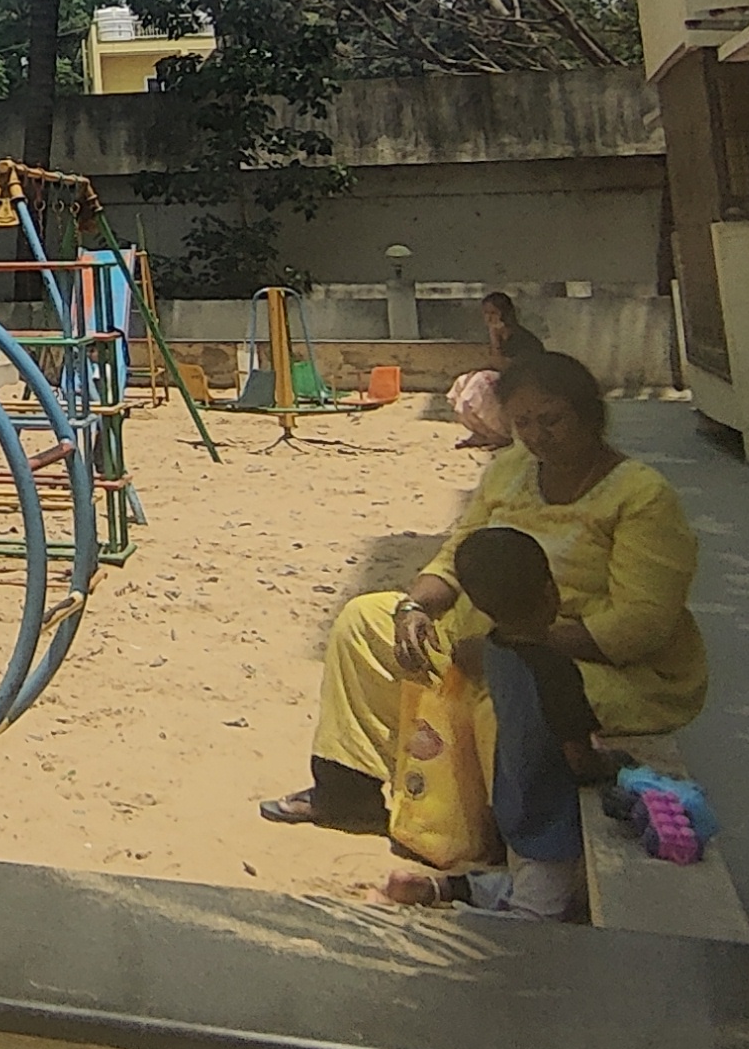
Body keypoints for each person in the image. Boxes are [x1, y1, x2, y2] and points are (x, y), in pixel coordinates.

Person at [259, 350, 706, 830]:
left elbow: (640, 625)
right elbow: (458, 554)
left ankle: (492, 833)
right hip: (480, 642)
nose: (537, 436)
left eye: (551, 420)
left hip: (588, 665)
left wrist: (510, 650)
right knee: (363, 623)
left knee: (512, 697)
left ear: (589, 415)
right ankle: (347, 793)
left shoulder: (641, 497)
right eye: (523, 423)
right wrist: (414, 608)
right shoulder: (511, 469)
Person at [372, 524, 604, 920]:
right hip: (548, 813)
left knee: (531, 879)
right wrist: (611, 769)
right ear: (551, 592)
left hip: (512, 795)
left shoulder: (493, 649)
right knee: (537, 914)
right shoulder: (557, 671)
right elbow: (577, 757)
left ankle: (439, 888)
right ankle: (445, 921)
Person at [445, 291, 535, 449]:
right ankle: (482, 433)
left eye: (493, 313)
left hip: (523, 384)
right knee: (464, 381)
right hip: (507, 379)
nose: (489, 318)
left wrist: (494, 337)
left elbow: (505, 367)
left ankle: (501, 435)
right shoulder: (501, 335)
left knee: (479, 383)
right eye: (486, 313)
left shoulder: (521, 337)